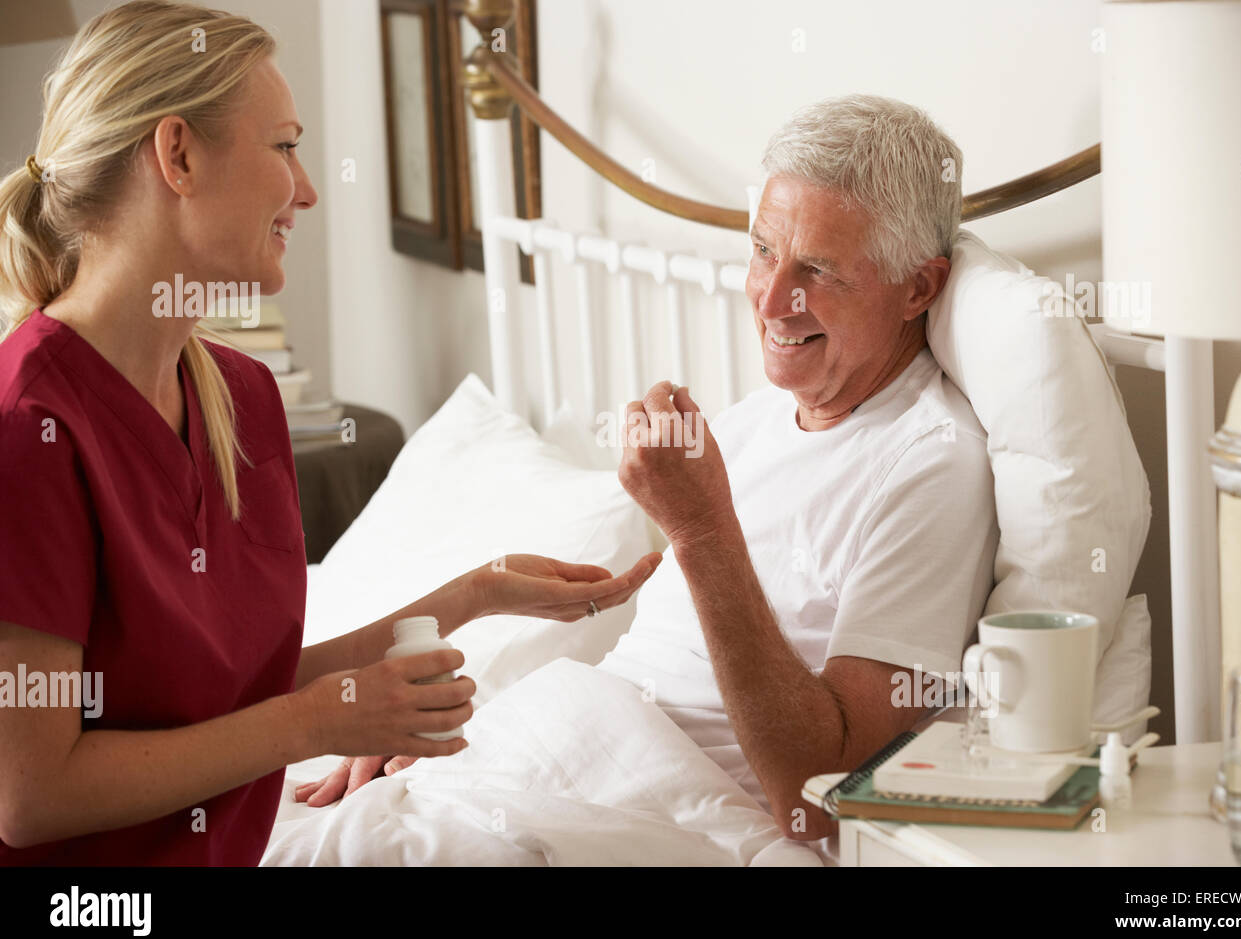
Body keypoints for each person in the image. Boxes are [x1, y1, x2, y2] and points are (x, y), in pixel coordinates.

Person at [0, 0, 659, 866]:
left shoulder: (239, 396)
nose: (306, 188)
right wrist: (318, 721)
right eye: (283, 146)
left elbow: (232, 693)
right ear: (178, 154)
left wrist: (476, 594)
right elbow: (32, 796)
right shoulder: (29, 428)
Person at [299, 95, 998, 845]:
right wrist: (454, 728)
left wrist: (699, 527)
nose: (770, 298)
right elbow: (648, 672)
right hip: (560, 755)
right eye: (764, 250)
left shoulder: (930, 468)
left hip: (690, 821)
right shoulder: (752, 419)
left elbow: (813, 802)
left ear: (919, 287)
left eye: (819, 270)